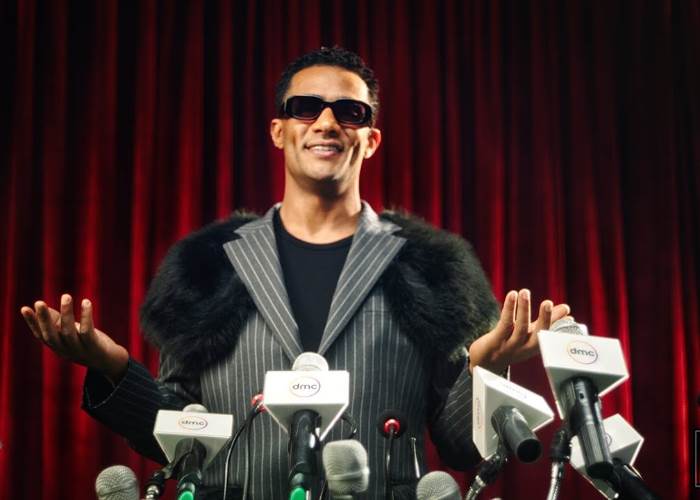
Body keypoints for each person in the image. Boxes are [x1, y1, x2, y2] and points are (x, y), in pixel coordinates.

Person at [20, 47, 569, 499]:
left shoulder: (433, 266)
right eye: (307, 108)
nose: (327, 123)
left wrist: (485, 364)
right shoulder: (206, 262)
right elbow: (179, 431)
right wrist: (113, 368)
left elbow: (459, 448)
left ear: (371, 139)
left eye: (349, 112)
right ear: (279, 131)